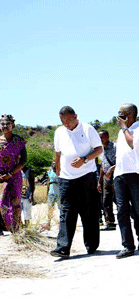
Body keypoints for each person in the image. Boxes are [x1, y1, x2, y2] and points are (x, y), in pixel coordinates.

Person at [51, 107, 103, 258]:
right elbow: (58, 153)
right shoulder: (59, 132)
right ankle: (62, 248)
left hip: (86, 176)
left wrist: (84, 160)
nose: (65, 124)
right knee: (66, 212)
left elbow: (99, 149)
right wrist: (59, 174)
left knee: (89, 212)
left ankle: (91, 246)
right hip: (66, 179)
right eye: (62, 121)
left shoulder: (88, 129)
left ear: (76, 116)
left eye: (68, 120)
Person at [113, 103, 139, 259]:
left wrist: (123, 128)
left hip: (136, 174)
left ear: (129, 114)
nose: (118, 116)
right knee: (122, 210)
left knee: (138, 209)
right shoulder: (123, 132)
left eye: (121, 113)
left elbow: (133, 144)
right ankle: (127, 245)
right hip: (119, 175)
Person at [0, 114, 27, 235]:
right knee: (0, 202)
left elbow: (23, 161)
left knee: (15, 203)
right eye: (2, 124)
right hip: (0, 177)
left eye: (7, 123)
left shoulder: (19, 141)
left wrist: (10, 174)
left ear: (13, 125)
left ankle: (15, 229)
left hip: (14, 176)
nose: (5, 126)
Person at [97, 130, 117, 231]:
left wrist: (112, 168)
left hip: (116, 175)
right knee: (106, 201)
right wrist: (99, 181)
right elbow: (102, 166)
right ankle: (110, 223)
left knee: (118, 200)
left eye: (102, 137)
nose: (101, 139)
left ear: (108, 137)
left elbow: (121, 160)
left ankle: (134, 217)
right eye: (99, 138)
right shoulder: (100, 150)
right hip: (106, 177)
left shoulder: (115, 147)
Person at [44, 161, 60, 230]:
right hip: (51, 192)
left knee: (61, 208)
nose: (54, 166)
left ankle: (61, 223)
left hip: (59, 193)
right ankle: (48, 223)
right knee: (50, 208)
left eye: (55, 164)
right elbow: (48, 182)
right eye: (53, 164)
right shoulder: (49, 172)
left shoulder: (60, 172)